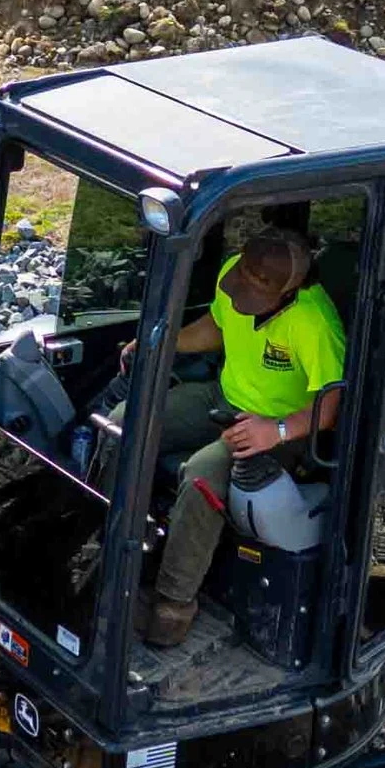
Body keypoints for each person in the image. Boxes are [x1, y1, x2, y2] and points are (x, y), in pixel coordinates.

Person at [142, 224, 346, 650]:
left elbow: (329, 408)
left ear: (288, 293)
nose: (245, 298)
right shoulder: (238, 272)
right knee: (132, 422)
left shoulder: (314, 323)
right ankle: (106, 546)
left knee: (201, 475)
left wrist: (276, 431)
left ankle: (173, 605)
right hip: (225, 396)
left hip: (279, 428)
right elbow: (218, 328)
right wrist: (165, 345)